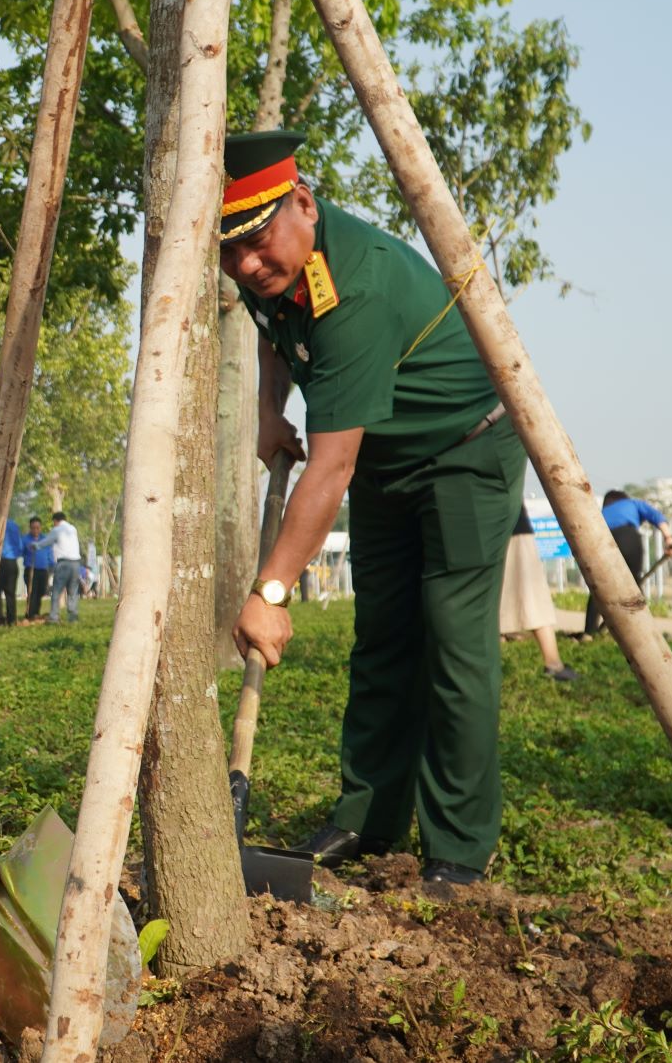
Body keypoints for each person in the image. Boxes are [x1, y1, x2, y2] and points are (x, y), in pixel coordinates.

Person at [219, 130, 524, 888]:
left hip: (463, 452)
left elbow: (331, 465)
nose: (248, 265)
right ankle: (368, 820)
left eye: (258, 242)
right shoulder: (273, 275)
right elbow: (274, 337)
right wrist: (268, 411)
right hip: (384, 462)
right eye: (230, 253)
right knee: (382, 639)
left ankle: (458, 849)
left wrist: (271, 592)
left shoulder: (355, 289)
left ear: (303, 204)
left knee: (453, 644)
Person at [579, 490, 672, 638]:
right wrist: (668, 539)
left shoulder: (601, 512)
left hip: (603, 542)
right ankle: (644, 632)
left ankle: (589, 632)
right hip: (629, 538)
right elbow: (657, 517)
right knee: (634, 586)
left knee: (599, 588)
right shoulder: (633, 503)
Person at [498, 507, 577, 682]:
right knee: (533, 596)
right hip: (506, 522)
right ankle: (553, 664)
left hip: (478, 524)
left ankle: (553, 664)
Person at [45, 511, 83, 623]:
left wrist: (36, 545)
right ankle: (73, 617)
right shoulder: (73, 529)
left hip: (63, 563)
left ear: (55, 521)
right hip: (76, 563)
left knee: (57, 591)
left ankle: (54, 617)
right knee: (73, 592)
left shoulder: (56, 530)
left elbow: (47, 542)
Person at [23, 516, 53, 621]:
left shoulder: (45, 539)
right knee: (32, 591)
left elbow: (50, 553)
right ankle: (31, 613)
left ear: (40, 528)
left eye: (37, 528)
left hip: (43, 570)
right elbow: (21, 551)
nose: (35, 530)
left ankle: (36, 612)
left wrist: (52, 565)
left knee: (41, 591)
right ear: (30, 528)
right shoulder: (25, 539)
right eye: (33, 528)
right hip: (31, 569)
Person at [0, 517, 23, 625]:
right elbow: (19, 545)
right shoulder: (13, 525)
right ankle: (11, 620)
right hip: (12, 562)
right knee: (10, 593)